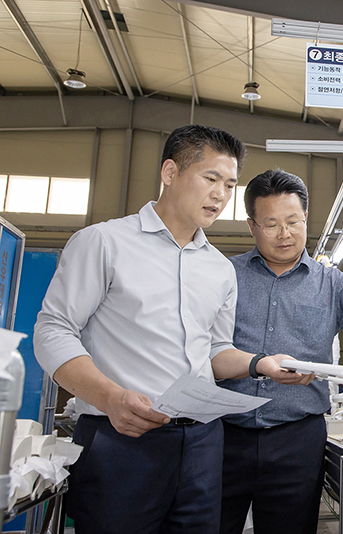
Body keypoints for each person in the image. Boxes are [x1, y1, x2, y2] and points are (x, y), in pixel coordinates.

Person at [33, 125, 313, 534]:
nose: (220, 194)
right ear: (169, 172)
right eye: (210, 178)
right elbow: (53, 331)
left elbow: (215, 352)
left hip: (202, 446)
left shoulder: (219, 269)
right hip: (120, 440)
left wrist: (260, 364)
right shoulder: (104, 243)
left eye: (230, 184)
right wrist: (110, 398)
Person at [218, 169, 343, 534]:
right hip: (225, 434)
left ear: (305, 218)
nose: (284, 234)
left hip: (296, 439)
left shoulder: (331, 283)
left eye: (293, 221)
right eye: (271, 224)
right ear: (252, 226)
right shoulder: (226, 275)